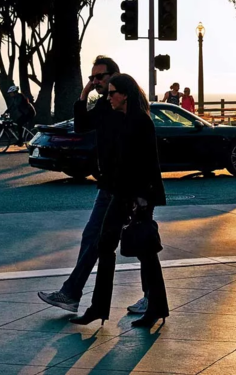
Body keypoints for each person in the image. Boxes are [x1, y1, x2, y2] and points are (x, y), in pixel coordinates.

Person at [39, 56, 149, 318]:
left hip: (125, 188)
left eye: (99, 77)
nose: (95, 81)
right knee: (96, 239)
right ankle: (72, 294)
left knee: (139, 241)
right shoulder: (104, 105)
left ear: (114, 76)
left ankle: (148, 295)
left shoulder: (129, 112)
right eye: (92, 77)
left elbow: (142, 156)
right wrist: (84, 93)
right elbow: (81, 125)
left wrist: (141, 194)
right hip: (109, 185)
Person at [69, 72, 169, 328]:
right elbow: (86, 126)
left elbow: (149, 163)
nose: (109, 97)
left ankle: (156, 308)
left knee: (146, 251)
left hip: (139, 196)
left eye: (112, 92)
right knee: (105, 246)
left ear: (125, 94)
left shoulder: (141, 122)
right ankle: (98, 308)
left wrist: (143, 198)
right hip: (119, 192)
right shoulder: (116, 118)